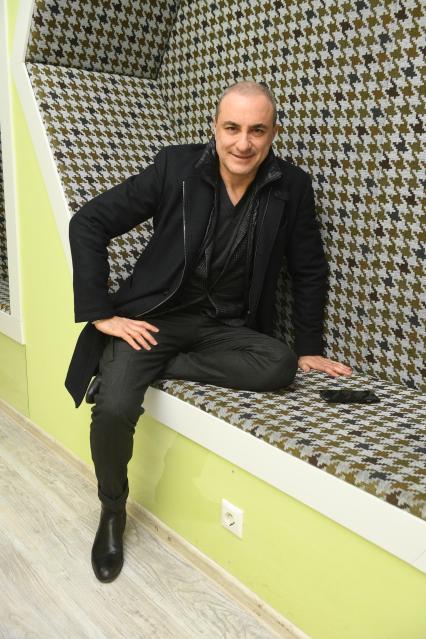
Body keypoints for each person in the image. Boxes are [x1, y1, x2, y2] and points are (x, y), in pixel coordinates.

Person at [65, 81, 352, 583]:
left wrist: (309, 347)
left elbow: (309, 270)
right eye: (232, 128)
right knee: (114, 406)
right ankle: (112, 510)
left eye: (257, 130)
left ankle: (130, 364)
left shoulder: (292, 187)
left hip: (227, 329)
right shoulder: (174, 168)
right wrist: (101, 313)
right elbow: (88, 222)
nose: (243, 143)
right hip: (157, 318)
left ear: (273, 133)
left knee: (280, 364)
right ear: (215, 128)